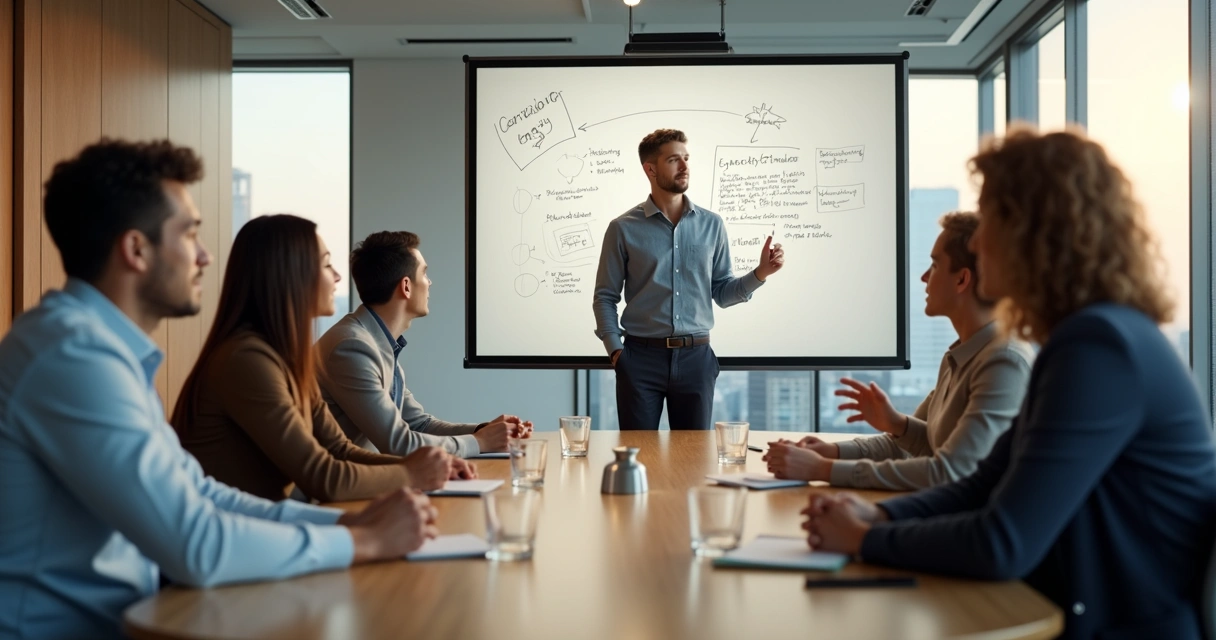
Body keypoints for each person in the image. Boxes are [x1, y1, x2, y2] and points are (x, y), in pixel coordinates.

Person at [0, 139, 441, 639]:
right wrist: (362, 543)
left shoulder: (103, 351)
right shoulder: (71, 357)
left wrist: (346, 528)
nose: (206, 256)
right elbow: (197, 542)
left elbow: (202, 494)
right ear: (136, 250)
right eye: (189, 235)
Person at [802, 127, 1216, 640]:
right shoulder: (1083, 338)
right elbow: (982, 484)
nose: (976, 241)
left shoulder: (1098, 349)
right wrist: (877, 513)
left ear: (1032, 232)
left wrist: (866, 539)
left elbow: (1004, 541)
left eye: (990, 217)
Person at [172, 215, 470, 503]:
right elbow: (323, 476)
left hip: (266, 523)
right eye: (327, 264)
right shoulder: (246, 360)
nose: (339, 276)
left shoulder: (287, 358)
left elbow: (339, 449)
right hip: (233, 536)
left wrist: (425, 466)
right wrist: (411, 473)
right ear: (291, 276)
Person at [764, 212, 1033, 490]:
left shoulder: (1004, 362)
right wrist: (832, 451)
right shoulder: (961, 355)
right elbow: (917, 446)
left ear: (961, 280)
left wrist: (822, 468)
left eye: (935, 265)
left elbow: (950, 472)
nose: (924, 276)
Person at [592, 128, 786, 430]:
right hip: (639, 360)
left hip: (697, 359)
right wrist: (616, 352)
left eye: (686, 158)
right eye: (673, 160)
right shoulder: (622, 228)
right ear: (650, 169)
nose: (684, 167)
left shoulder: (712, 225)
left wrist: (761, 273)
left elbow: (722, 293)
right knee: (640, 456)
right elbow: (605, 296)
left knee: (694, 460)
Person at [316, 231, 533, 458]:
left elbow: (419, 424)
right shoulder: (351, 348)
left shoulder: (376, 343)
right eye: (425, 273)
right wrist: (479, 442)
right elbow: (398, 442)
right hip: (327, 490)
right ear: (406, 286)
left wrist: (483, 431)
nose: (430, 282)